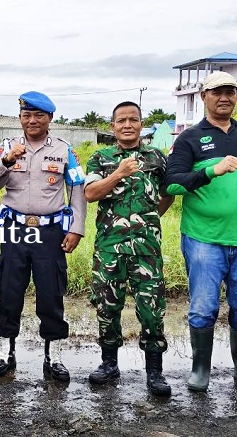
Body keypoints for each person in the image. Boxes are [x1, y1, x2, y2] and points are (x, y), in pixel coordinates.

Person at [163, 71, 237, 396]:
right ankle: (200, 370)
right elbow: (171, 183)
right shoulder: (190, 138)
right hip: (204, 238)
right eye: (217, 92)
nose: (224, 97)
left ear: (236, 96)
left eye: (230, 92)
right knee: (203, 307)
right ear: (204, 96)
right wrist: (210, 170)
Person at [0, 91, 87, 380]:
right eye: (26, 116)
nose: (32, 120)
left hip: (51, 231)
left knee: (51, 291)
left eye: (38, 115)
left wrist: (76, 228)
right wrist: (6, 160)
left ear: (50, 119)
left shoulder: (65, 149)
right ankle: (6, 352)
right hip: (15, 230)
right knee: (9, 288)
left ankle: (53, 356)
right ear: (19, 118)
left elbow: (77, 190)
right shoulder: (8, 146)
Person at [83, 101, 174, 396]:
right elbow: (90, 193)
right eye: (121, 120)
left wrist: (147, 220)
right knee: (107, 307)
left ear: (141, 123)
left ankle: (155, 371)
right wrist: (118, 173)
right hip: (109, 248)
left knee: (151, 310)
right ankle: (109, 364)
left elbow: (167, 194)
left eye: (133, 119)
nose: (127, 125)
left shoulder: (157, 158)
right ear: (112, 126)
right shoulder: (101, 157)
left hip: (147, 249)